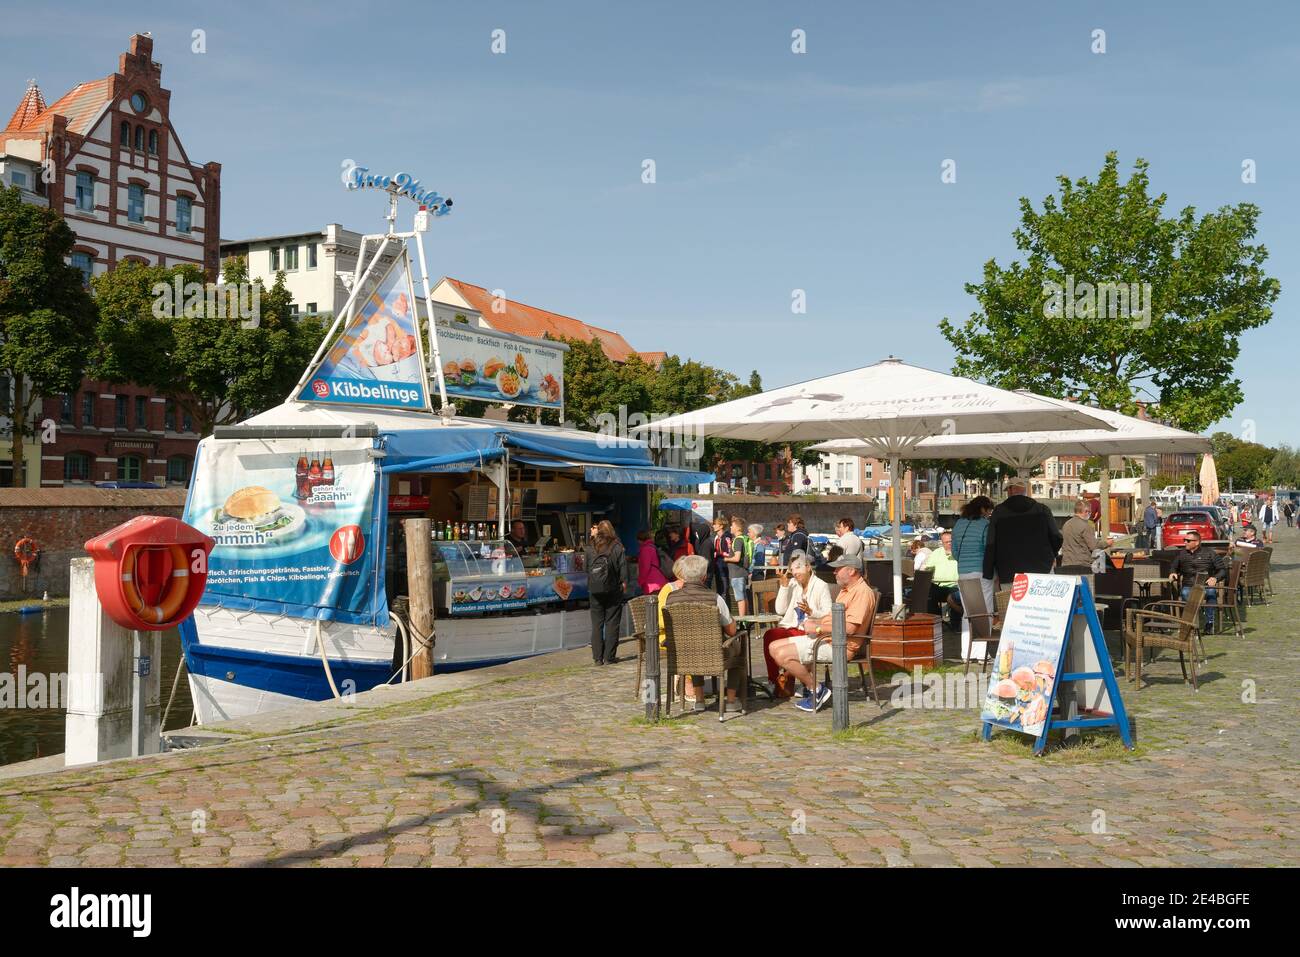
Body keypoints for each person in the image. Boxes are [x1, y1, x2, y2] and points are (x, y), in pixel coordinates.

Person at [767, 554, 877, 713]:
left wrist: (817, 628)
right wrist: (815, 622)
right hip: (827, 639)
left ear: (852, 571)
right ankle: (813, 688)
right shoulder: (846, 590)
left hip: (840, 645)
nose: (834, 572)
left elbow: (850, 629)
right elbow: (833, 619)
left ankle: (816, 689)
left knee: (781, 654)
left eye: (838, 569)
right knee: (773, 646)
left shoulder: (862, 592)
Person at [662, 554, 746, 713]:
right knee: (737, 649)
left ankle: (700, 699)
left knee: (691, 646)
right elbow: (731, 630)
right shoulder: (714, 598)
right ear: (704, 576)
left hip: (682, 653)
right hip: (714, 653)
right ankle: (730, 700)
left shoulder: (671, 598)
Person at [760, 555, 833, 696]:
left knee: (791, 644)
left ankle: (790, 680)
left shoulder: (820, 586)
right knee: (770, 635)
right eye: (792, 569)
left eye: (798, 568)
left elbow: (828, 613)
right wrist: (784, 587)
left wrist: (811, 611)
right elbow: (780, 610)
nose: (795, 572)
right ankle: (774, 681)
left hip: (810, 629)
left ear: (808, 567)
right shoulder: (792, 583)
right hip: (791, 627)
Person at [984, 482, 1063, 583]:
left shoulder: (998, 512)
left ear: (1010, 491)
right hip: (1041, 568)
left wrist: (988, 571)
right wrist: (1051, 554)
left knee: (1011, 598)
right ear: (1025, 491)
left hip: (1008, 571)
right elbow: (1056, 537)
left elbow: (991, 542)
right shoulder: (1042, 509)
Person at [951, 496, 995, 659]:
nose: (989, 513)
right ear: (982, 509)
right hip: (981, 572)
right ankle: (982, 653)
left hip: (963, 572)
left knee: (968, 612)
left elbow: (955, 552)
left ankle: (966, 652)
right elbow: (988, 550)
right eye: (988, 509)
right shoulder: (985, 525)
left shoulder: (958, 524)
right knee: (985, 611)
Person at [585, 520, 628, 665]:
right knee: (612, 623)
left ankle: (597, 658)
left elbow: (586, 569)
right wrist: (623, 583)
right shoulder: (617, 547)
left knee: (597, 624)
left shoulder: (590, 547)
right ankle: (609, 657)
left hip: (595, 590)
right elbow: (623, 571)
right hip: (613, 590)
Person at [1168, 530, 1228, 632]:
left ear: (1197, 542)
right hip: (1188, 585)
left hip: (1205, 585)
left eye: (1188, 540)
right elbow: (1173, 566)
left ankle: (1209, 623)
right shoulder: (1182, 554)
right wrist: (1172, 572)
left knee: (1211, 592)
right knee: (1186, 593)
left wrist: (1215, 578)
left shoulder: (1210, 553)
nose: (1185, 542)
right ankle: (1190, 622)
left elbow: (1222, 570)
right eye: (1184, 540)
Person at [926, 530, 960, 624]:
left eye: (951, 541)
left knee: (956, 597)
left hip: (955, 585)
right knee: (927, 595)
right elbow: (928, 568)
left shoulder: (959, 552)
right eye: (946, 542)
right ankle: (937, 622)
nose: (949, 543)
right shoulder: (936, 553)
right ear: (942, 543)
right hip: (938, 585)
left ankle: (955, 624)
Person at [1060, 499, 1100, 568]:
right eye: (1090, 512)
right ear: (1086, 511)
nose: (1090, 514)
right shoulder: (1086, 526)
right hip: (1082, 565)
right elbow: (1094, 547)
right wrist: (1106, 543)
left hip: (1066, 564)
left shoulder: (1066, 524)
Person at [724, 515, 751, 616]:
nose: (730, 527)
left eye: (732, 525)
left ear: (738, 528)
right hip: (741, 572)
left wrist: (725, 559)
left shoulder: (738, 540)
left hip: (737, 573)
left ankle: (742, 621)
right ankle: (746, 619)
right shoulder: (742, 538)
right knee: (743, 597)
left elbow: (737, 558)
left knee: (740, 598)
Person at [636, 529, 668, 596]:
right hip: (658, 580)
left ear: (640, 539)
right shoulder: (651, 547)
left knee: (652, 605)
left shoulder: (645, 549)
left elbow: (645, 567)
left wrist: (640, 581)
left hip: (652, 583)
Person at [709, 515, 732, 600]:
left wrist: (717, 553)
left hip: (724, 567)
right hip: (717, 567)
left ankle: (727, 611)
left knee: (724, 591)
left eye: (715, 524)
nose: (713, 526)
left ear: (721, 526)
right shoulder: (716, 538)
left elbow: (728, 552)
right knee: (719, 591)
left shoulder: (727, 537)